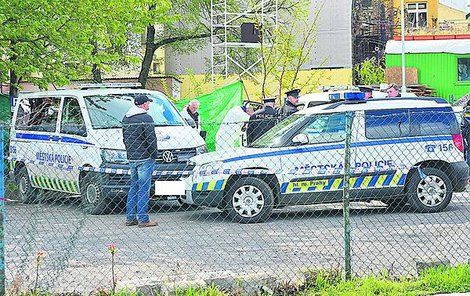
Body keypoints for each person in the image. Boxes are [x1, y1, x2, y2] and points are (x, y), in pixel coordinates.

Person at [122, 94, 158, 228]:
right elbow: (151, 139)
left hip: (132, 157)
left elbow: (125, 138)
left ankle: (130, 218)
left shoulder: (126, 118)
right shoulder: (146, 118)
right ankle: (143, 218)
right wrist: (154, 154)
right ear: (143, 104)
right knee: (144, 188)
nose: (149, 105)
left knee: (134, 187)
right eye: (148, 103)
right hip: (145, 157)